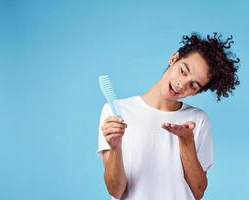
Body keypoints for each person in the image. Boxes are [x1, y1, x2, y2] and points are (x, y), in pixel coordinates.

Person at [96, 32, 240, 200]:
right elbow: (115, 190)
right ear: (174, 58)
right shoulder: (116, 111)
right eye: (183, 71)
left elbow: (199, 191)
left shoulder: (197, 119)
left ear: (196, 92)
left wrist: (187, 142)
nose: (182, 84)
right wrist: (115, 147)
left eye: (193, 85)